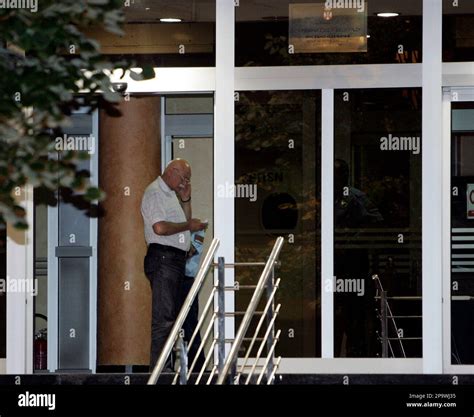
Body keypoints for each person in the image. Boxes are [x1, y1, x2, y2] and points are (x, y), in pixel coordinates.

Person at [141, 159, 207, 372]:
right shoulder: (155, 192)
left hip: (175, 261)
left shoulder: (170, 195)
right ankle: (160, 370)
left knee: (175, 318)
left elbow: (184, 231)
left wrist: (186, 199)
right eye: (184, 178)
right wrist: (189, 225)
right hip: (163, 259)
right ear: (172, 171)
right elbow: (159, 228)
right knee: (165, 318)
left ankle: (167, 366)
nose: (184, 182)